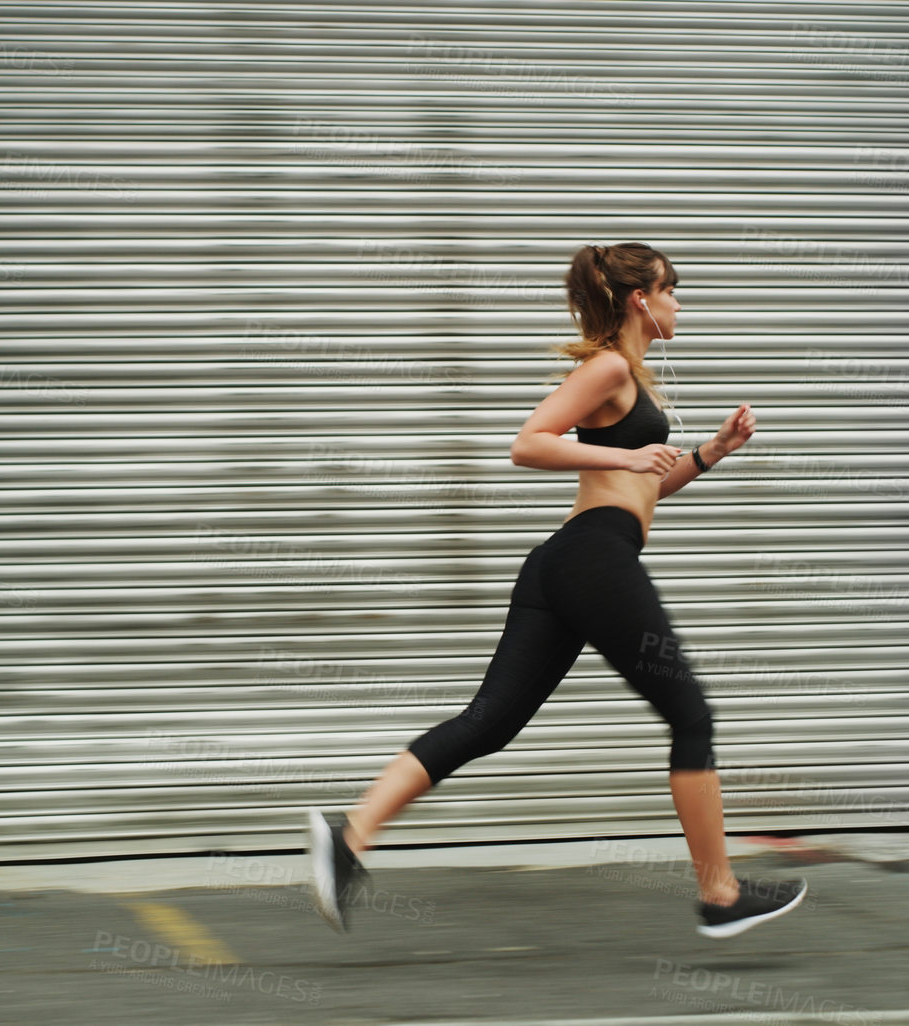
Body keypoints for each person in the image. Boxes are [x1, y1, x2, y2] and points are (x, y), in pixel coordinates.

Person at [306, 242, 806, 938]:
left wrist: (708, 453)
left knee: (490, 722)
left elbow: (639, 486)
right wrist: (624, 453)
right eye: (671, 289)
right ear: (641, 299)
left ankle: (350, 836)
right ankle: (718, 894)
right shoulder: (607, 367)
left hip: (566, 564)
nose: (679, 302)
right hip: (592, 560)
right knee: (690, 715)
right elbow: (528, 443)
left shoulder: (629, 378)